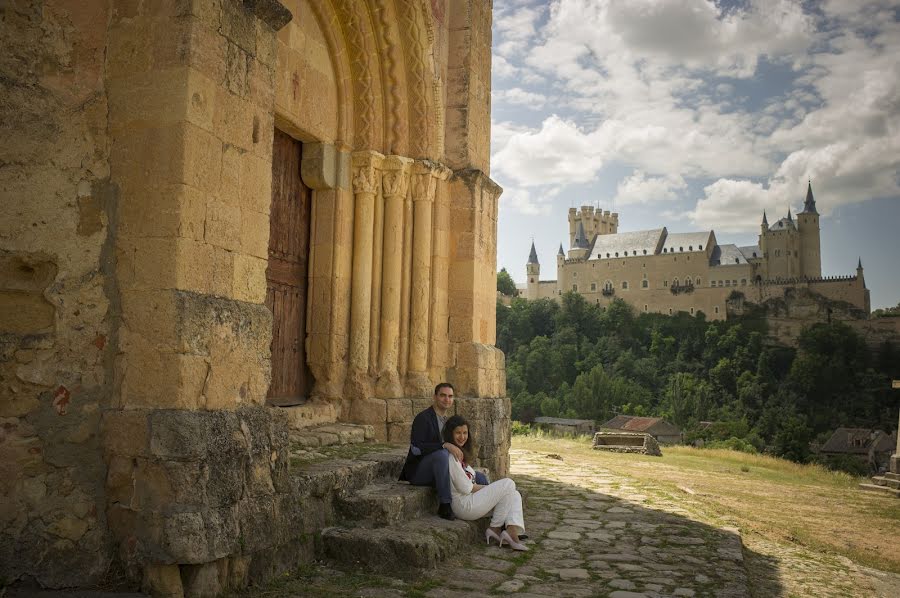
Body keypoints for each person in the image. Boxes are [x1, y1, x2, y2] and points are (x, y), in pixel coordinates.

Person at [399, 382, 489, 520]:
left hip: (443, 470)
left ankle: (493, 512)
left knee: (480, 477)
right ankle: (445, 504)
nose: (447, 399)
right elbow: (416, 449)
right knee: (442, 455)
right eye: (443, 395)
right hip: (420, 472)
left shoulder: (447, 422)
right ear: (435, 397)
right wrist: (444, 445)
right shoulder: (423, 418)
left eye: (450, 396)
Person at [443, 415, 528, 551]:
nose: (462, 437)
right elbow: (466, 488)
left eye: (465, 433)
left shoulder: (459, 454)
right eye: (458, 433)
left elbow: (470, 479)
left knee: (514, 494)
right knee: (508, 484)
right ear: (450, 434)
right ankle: (495, 528)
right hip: (464, 505)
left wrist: (493, 491)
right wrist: (491, 489)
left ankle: (510, 533)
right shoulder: (451, 457)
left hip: (471, 500)